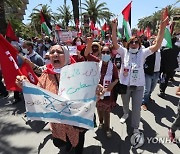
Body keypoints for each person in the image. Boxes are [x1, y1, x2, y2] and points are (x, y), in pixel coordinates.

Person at [16, 44, 105, 154]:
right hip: (58, 123)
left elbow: (90, 93)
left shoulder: (79, 72)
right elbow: (37, 94)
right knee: (59, 142)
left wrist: (97, 90)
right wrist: (25, 85)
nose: (55, 54)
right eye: (52, 52)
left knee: (78, 144)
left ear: (67, 56)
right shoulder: (45, 75)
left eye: (59, 52)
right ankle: (67, 145)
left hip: (76, 121)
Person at [111, 9, 169, 135]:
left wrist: (162, 28)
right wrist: (114, 28)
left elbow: (157, 45)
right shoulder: (123, 52)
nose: (133, 43)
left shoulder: (143, 52)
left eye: (136, 42)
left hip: (138, 87)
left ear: (139, 43)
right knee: (125, 105)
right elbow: (114, 42)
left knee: (136, 108)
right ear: (128, 43)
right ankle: (126, 114)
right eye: (131, 42)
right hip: (124, 85)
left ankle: (135, 126)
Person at [141, 37, 161, 111]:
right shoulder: (148, 51)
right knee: (147, 89)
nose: (156, 43)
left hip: (157, 73)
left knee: (152, 88)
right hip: (148, 73)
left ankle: (148, 97)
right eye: (154, 42)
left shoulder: (160, 51)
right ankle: (144, 103)